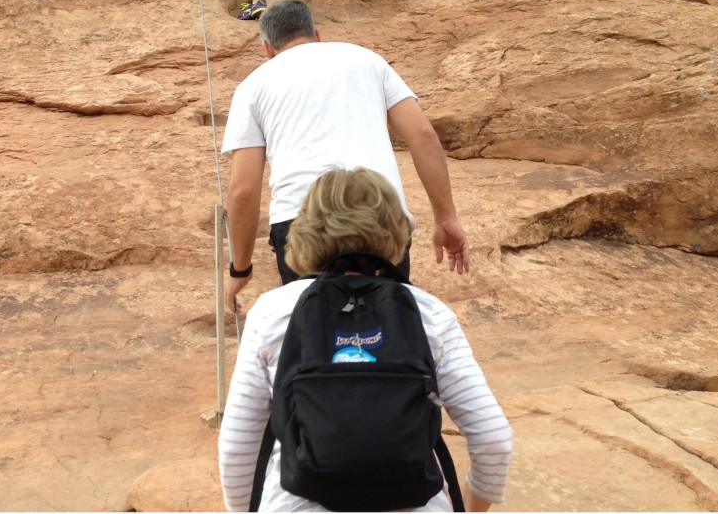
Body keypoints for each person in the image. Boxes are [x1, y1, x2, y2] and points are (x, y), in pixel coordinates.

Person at [219, 167, 513, 512]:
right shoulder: (429, 313)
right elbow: (494, 439)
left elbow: (238, 448)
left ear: (306, 230)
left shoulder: (273, 312)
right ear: (393, 231)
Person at [221, 0, 469, 311]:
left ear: (268, 49)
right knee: (387, 330)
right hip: (378, 213)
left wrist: (240, 269)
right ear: (317, 35)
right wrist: (445, 217)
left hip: (302, 224)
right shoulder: (368, 61)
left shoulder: (252, 86)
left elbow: (243, 190)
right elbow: (423, 135)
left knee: (316, 339)